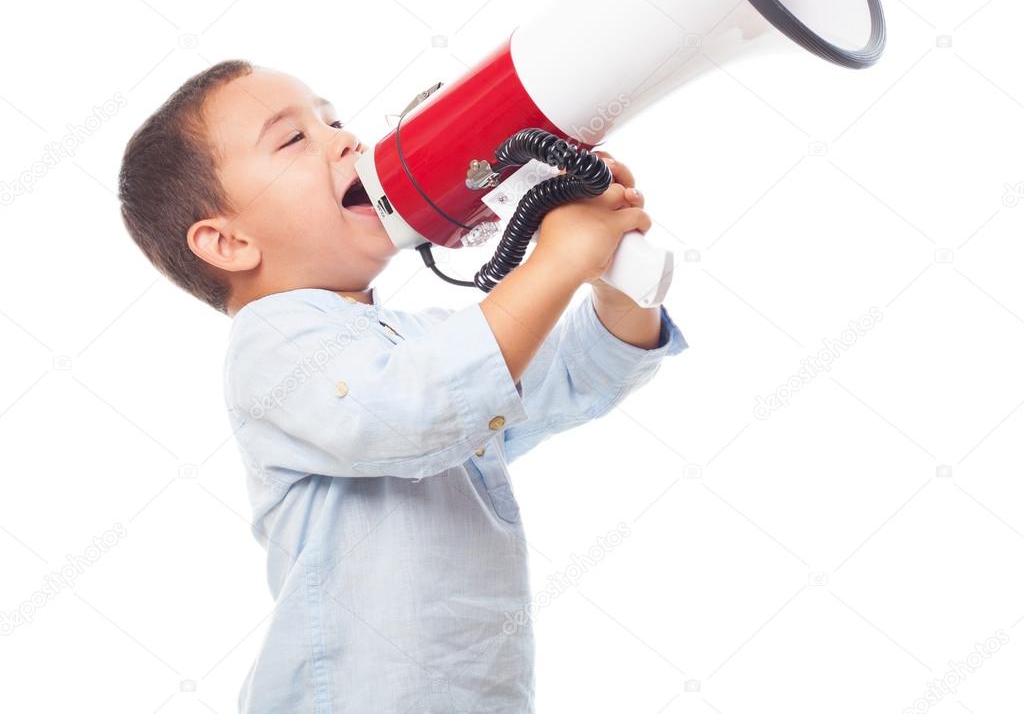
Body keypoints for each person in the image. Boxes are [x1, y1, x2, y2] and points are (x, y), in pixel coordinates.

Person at [117, 58, 688, 713]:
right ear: (228, 241)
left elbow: (578, 374)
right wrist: (557, 259)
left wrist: (612, 275)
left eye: (333, 119)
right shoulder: (272, 342)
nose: (345, 140)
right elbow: (415, 407)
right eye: (294, 138)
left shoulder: (417, 338)